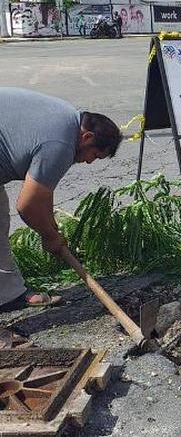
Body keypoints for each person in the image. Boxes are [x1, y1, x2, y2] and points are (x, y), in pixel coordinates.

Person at [0, 88, 122, 311]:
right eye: (94, 155)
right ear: (87, 137)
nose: (88, 162)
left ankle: (7, 296)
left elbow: (42, 192)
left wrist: (50, 227)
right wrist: (50, 237)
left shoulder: (67, 120)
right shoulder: (62, 144)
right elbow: (27, 205)